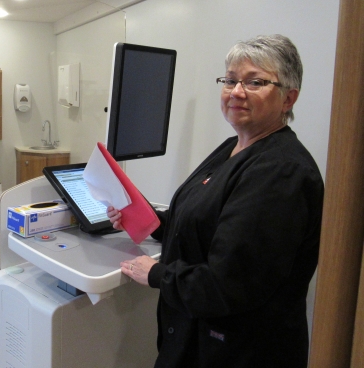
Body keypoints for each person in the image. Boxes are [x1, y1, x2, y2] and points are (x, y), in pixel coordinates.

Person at [107, 34, 324, 368]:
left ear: (288, 99)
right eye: (230, 80)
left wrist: (156, 274)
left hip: (238, 352)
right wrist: (145, 218)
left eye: (255, 82)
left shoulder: (282, 172)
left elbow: (227, 285)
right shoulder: (233, 147)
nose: (237, 92)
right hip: (193, 337)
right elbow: (200, 224)